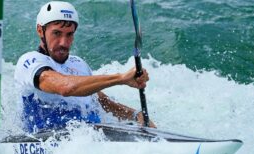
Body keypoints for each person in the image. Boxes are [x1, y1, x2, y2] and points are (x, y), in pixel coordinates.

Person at [14, 1, 156, 133]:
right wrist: (120, 78)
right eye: (57, 33)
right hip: (44, 141)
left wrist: (135, 115)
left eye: (69, 34)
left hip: (90, 138)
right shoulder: (29, 61)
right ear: (40, 30)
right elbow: (65, 87)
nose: (64, 42)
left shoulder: (79, 64)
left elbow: (102, 101)